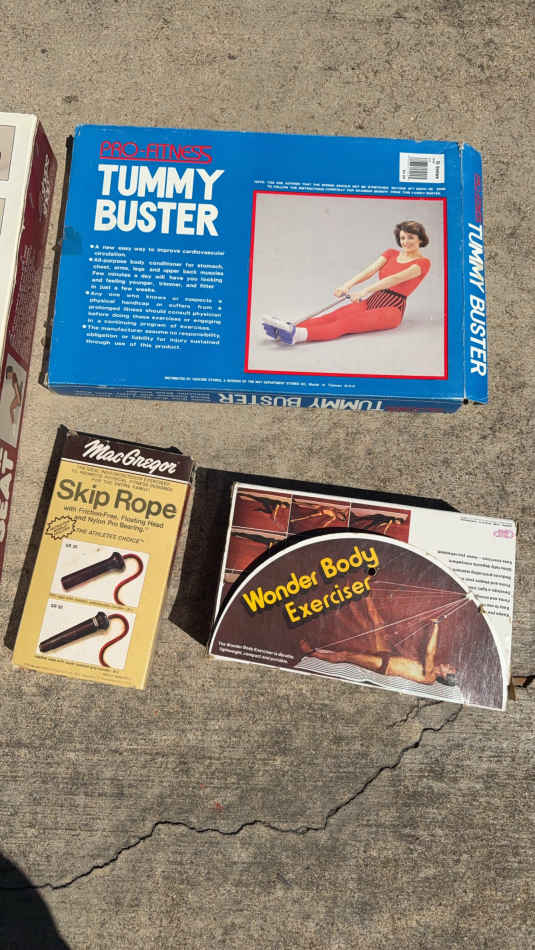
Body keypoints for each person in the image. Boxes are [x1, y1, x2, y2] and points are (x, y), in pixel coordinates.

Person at [262, 220, 431, 344]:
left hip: (392, 309)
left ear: (420, 239)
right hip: (373, 300)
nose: (405, 242)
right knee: (331, 316)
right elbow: (369, 271)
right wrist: (347, 285)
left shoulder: (423, 263)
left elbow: (394, 279)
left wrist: (364, 291)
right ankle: (287, 327)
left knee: (345, 323)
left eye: (410, 237)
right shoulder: (391, 253)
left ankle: (297, 335)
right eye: (402, 238)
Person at [300, 617, 457, 687]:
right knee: (377, 625)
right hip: (388, 657)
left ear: (444, 676)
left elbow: (430, 652)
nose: (448, 665)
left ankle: (312, 653)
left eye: (449, 669)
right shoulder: (431, 671)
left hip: (383, 665)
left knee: (346, 655)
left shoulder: (430, 677)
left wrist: (436, 626)